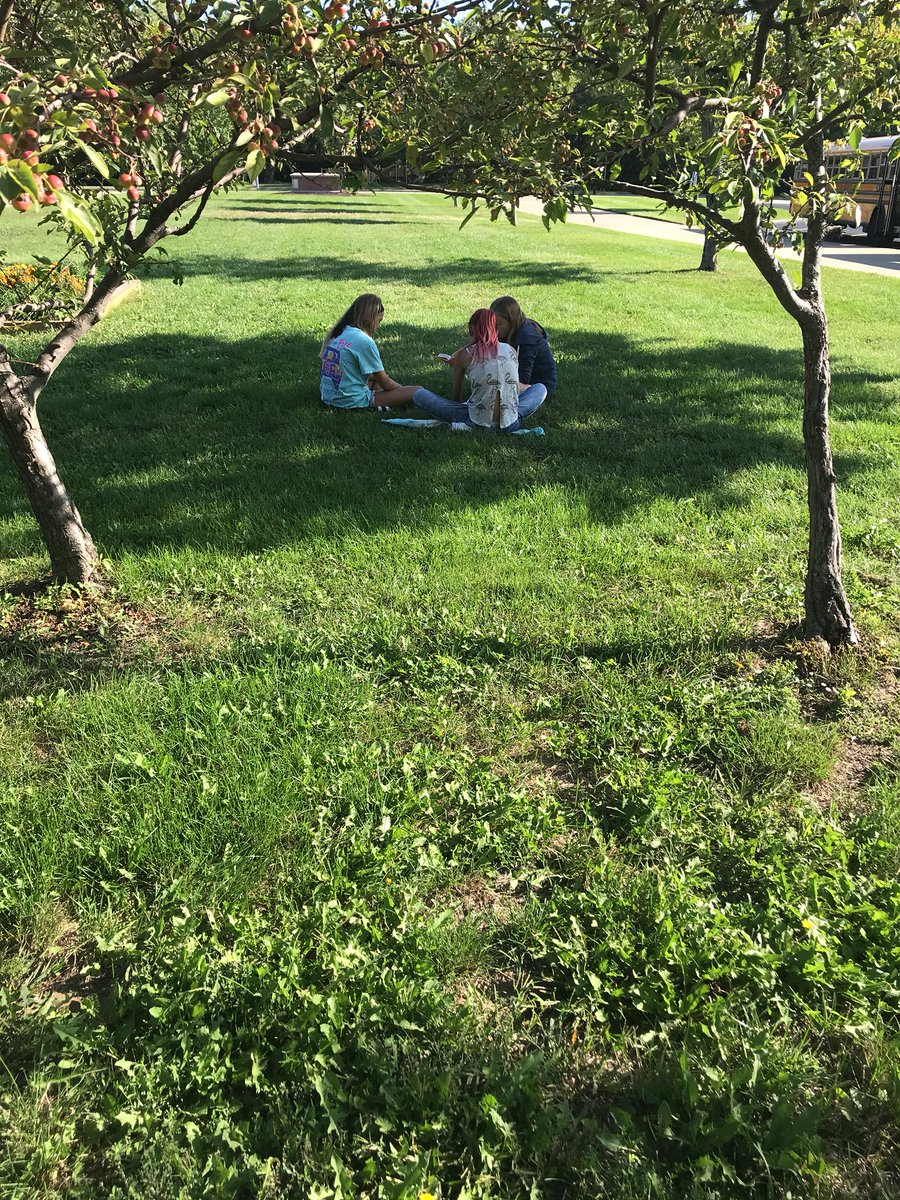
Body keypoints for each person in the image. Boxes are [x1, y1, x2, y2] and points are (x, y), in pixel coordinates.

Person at [412, 309, 529, 432]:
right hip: (510, 423)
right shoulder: (511, 350)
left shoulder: (466, 354)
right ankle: (514, 416)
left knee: (419, 394)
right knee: (540, 389)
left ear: (472, 328)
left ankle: (476, 420)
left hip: (478, 423)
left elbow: (456, 398)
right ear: (496, 328)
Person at [320, 293, 420, 410]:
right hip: (350, 401)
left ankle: (385, 403)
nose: (378, 326)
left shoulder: (338, 334)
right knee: (417, 391)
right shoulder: (364, 341)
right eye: (379, 321)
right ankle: (379, 405)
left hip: (329, 398)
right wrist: (401, 390)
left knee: (374, 380)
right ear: (371, 317)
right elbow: (385, 383)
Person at [489, 296, 557, 417]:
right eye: (492, 324)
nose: (494, 329)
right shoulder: (509, 333)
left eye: (498, 324)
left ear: (511, 321)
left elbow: (522, 378)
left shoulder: (527, 340)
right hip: (514, 381)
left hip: (536, 387)